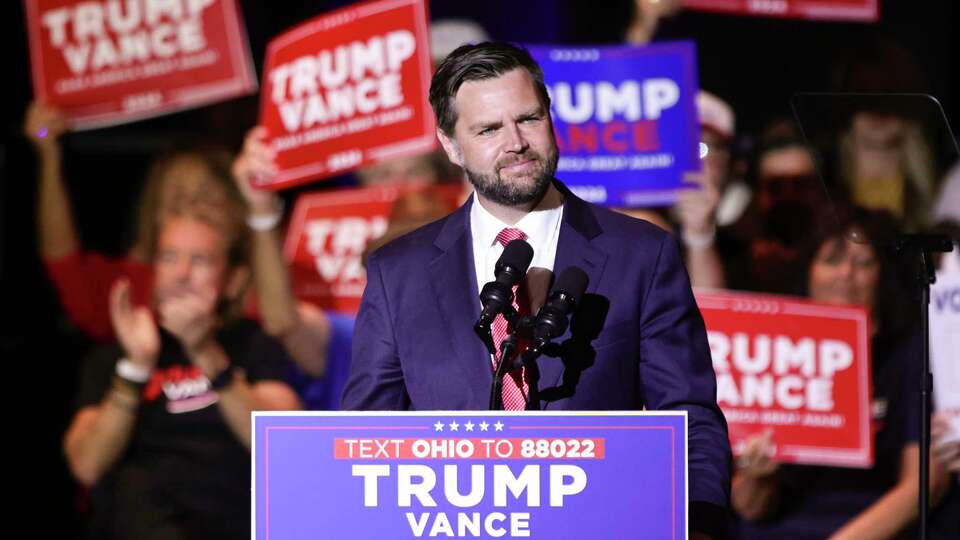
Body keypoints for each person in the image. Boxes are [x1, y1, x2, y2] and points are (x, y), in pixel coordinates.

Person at [341, 41, 730, 538]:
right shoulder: (399, 273)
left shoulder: (641, 255)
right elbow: (364, 441)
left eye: (529, 118)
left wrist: (698, 524)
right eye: (488, 129)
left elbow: (689, 418)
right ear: (451, 145)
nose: (517, 142)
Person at [63, 196, 302, 539]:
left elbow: (286, 446)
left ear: (233, 280)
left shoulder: (254, 344)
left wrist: (206, 354)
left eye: (200, 260)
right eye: (169, 257)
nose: (182, 274)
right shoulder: (119, 353)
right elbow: (86, 465)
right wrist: (136, 368)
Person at [730, 206, 952, 540]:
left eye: (863, 263)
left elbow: (925, 485)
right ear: (808, 272)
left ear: (883, 276)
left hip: (878, 527)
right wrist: (758, 476)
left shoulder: (911, 352)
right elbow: (750, 508)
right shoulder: (773, 351)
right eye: (832, 260)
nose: (846, 274)